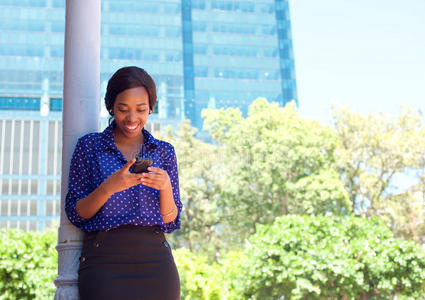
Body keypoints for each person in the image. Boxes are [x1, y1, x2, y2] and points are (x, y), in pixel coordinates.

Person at [65, 66, 182, 300]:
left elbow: (171, 221)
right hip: (104, 262)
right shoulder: (89, 147)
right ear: (110, 107)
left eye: (140, 109)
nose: (131, 118)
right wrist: (110, 187)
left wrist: (166, 187)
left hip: (156, 261)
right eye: (123, 109)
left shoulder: (164, 151)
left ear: (150, 109)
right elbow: (75, 213)